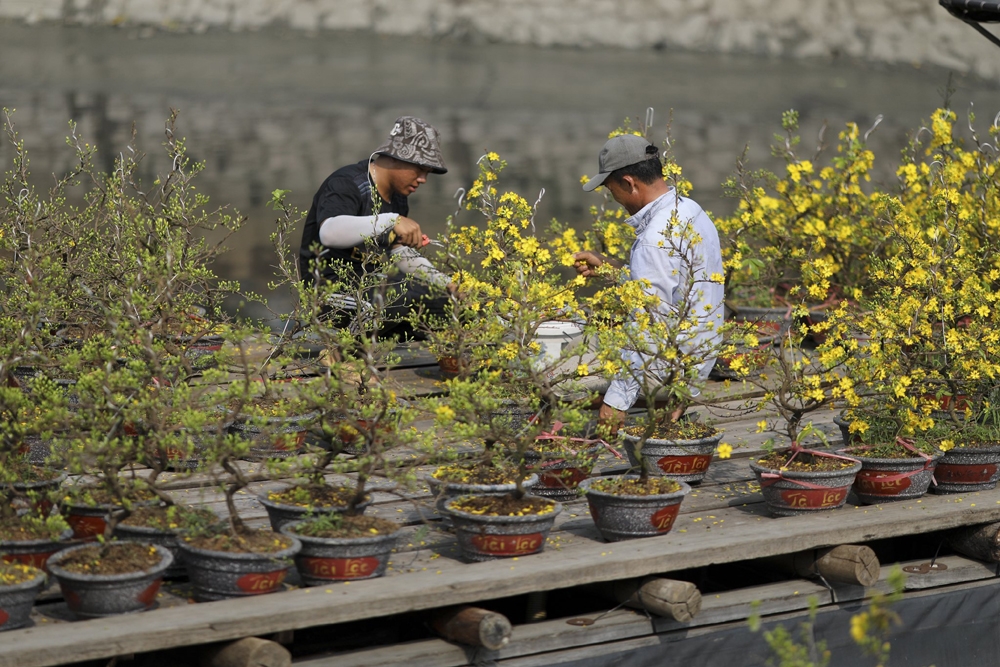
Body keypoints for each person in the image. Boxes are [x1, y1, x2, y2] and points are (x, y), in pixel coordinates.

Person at [572, 134, 724, 435]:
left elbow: (648, 326)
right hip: (696, 363)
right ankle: (673, 404)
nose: (613, 199)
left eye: (610, 189)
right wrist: (611, 270)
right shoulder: (691, 210)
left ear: (629, 183)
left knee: (553, 364)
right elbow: (671, 288)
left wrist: (616, 402)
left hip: (667, 371)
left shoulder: (654, 239)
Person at [298, 116, 452, 338]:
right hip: (329, 294)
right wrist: (391, 220)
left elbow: (398, 252)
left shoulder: (398, 198)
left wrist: (448, 284)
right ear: (395, 158)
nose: (423, 179)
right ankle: (344, 354)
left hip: (372, 290)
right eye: (419, 169)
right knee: (398, 294)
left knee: (447, 304)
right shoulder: (347, 184)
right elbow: (329, 232)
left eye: (427, 173)